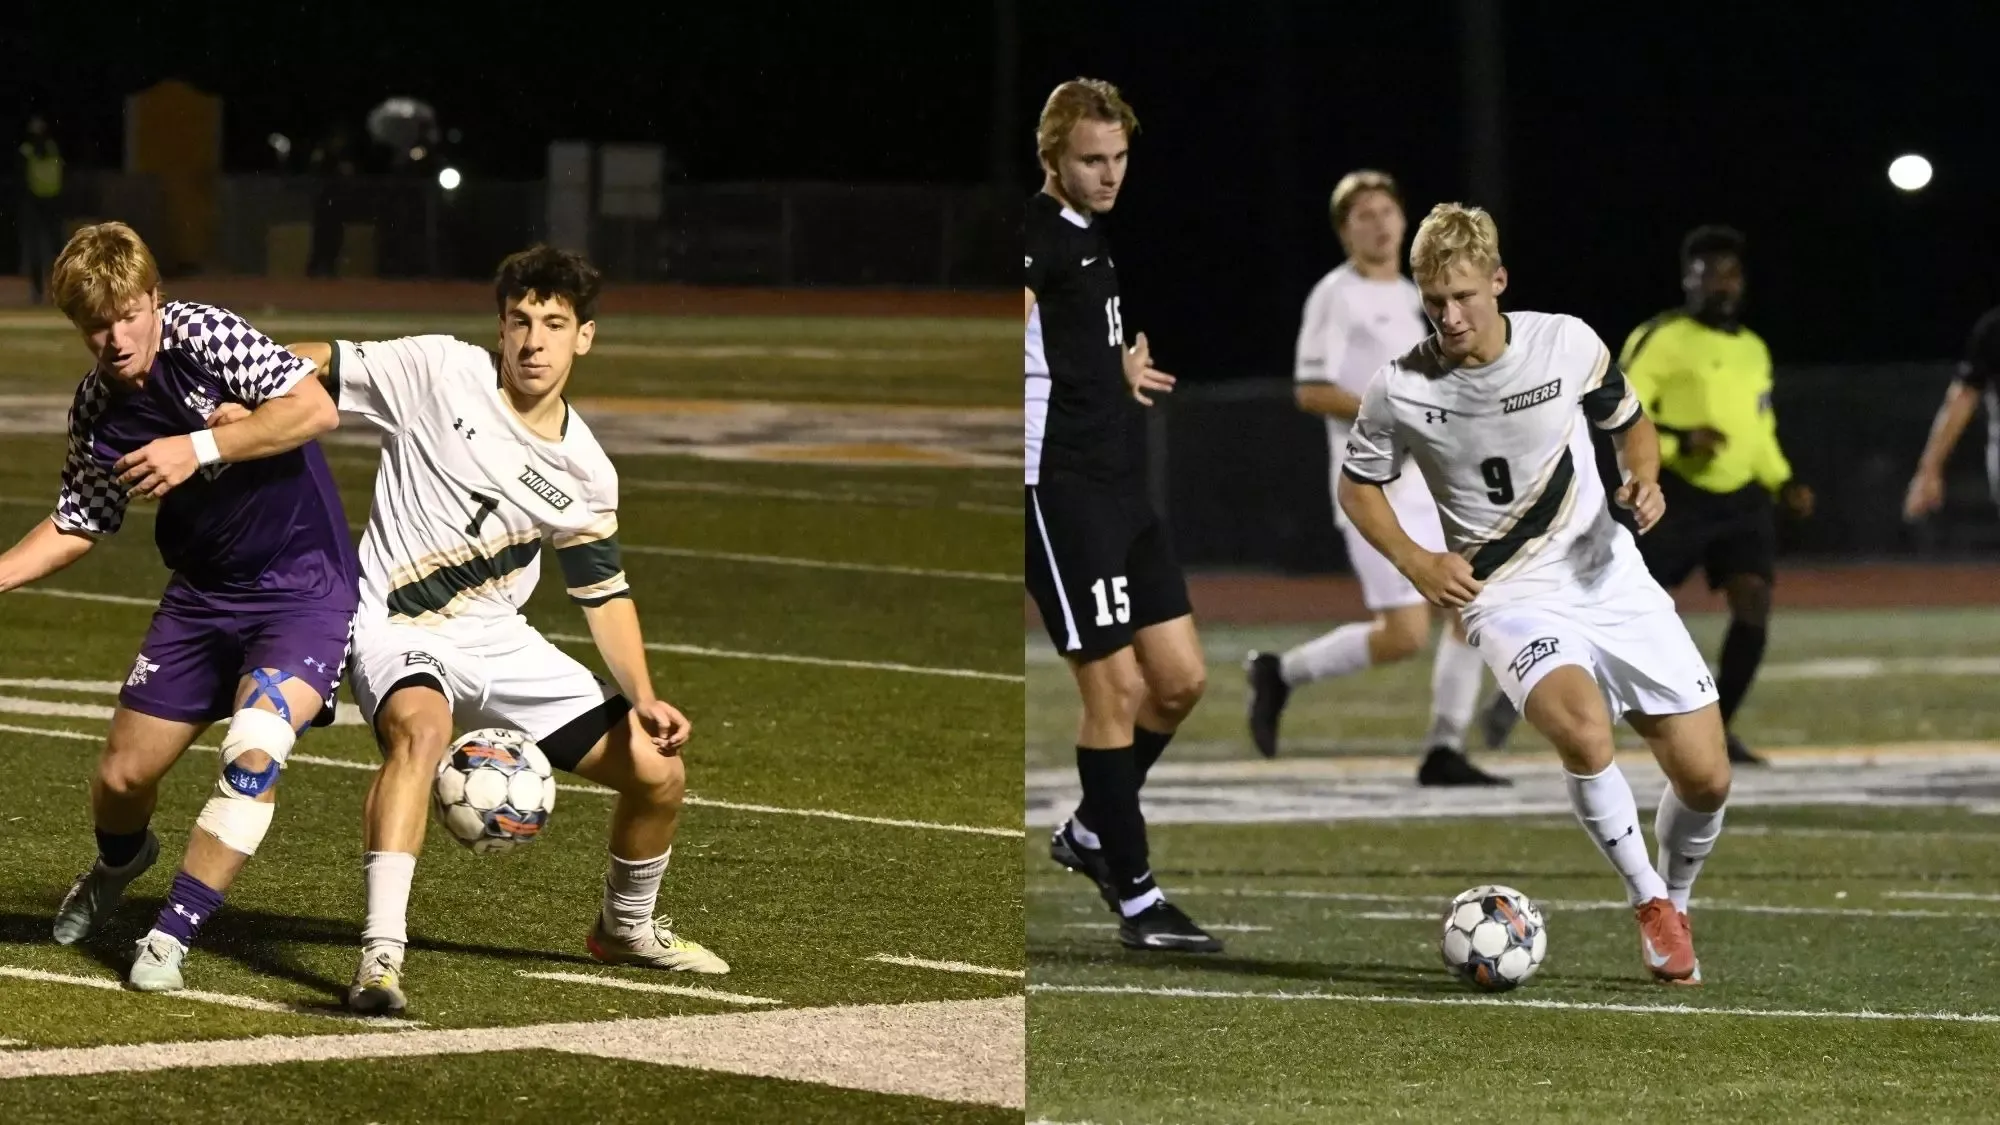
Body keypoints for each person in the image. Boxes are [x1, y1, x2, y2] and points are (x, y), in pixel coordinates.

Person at [266, 245, 724, 1015]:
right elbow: (320, 358)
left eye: (555, 323)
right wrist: (241, 379)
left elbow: (603, 592)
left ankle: (625, 928)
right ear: (500, 328)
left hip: (500, 640)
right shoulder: (439, 371)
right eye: (520, 321)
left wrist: (643, 695)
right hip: (399, 627)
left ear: (585, 336)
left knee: (660, 772)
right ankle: (380, 957)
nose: (534, 341)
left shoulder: (586, 470)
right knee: (421, 732)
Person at [1339, 203, 1731, 984]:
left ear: (1498, 281)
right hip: (1509, 596)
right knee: (1584, 733)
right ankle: (1649, 901)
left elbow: (1630, 421)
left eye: (1463, 296)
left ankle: (1677, 897)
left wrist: (1644, 477)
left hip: (1607, 574)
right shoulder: (1402, 385)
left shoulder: (1566, 342)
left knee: (1706, 777)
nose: (1449, 316)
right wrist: (1416, 560)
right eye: (1434, 300)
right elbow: (1358, 487)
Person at [0, 222, 356, 991]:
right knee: (121, 780)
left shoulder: (203, 335)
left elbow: (314, 409)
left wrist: (199, 446)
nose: (117, 337)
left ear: (154, 299)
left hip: (302, 587)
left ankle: (172, 932)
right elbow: (79, 520)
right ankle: (122, 862)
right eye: (97, 324)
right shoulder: (97, 405)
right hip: (201, 598)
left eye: (130, 314)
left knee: (255, 749)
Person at [1477, 226, 1811, 766]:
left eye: (1730, 275)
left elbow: (1759, 430)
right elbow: (1621, 412)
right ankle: (1519, 688)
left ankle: (1717, 731)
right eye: (1708, 275)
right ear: (1687, 281)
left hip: (1741, 501)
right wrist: (1680, 441)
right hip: (1674, 495)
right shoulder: (1661, 338)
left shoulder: (1754, 349)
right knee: (1604, 602)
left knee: (1754, 603)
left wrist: (1783, 480)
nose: (1721, 285)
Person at [1025, 78, 1218, 953]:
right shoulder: (1034, 237)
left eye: (1120, 158)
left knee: (1179, 681)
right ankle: (1139, 900)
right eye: (1091, 160)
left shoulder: (1087, 233)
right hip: (1060, 490)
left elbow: (1063, 349)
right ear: (1052, 158)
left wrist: (1117, 372)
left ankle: (1092, 828)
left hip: (1119, 484)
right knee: (1116, 690)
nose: (1109, 175)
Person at [1244, 170, 1503, 786]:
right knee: (1404, 635)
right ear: (1344, 230)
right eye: (1364, 214)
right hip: (1372, 487)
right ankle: (1281, 673)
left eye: (1387, 211)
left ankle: (1444, 749)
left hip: (1428, 482)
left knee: (1470, 604)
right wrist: (1392, 416)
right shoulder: (1337, 295)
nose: (1380, 223)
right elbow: (1311, 389)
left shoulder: (1419, 295)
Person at [1903, 305, 2000, 522]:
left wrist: (1929, 470)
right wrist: (1929, 469)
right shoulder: (1994, 329)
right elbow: (1962, 399)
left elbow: (1962, 398)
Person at [18, 115, 63, 305]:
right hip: (36, 202)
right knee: (37, 249)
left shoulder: (50, 148)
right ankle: (39, 291)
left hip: (50, 202)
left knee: (55, 248)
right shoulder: (30, 150)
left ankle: (58, 290)